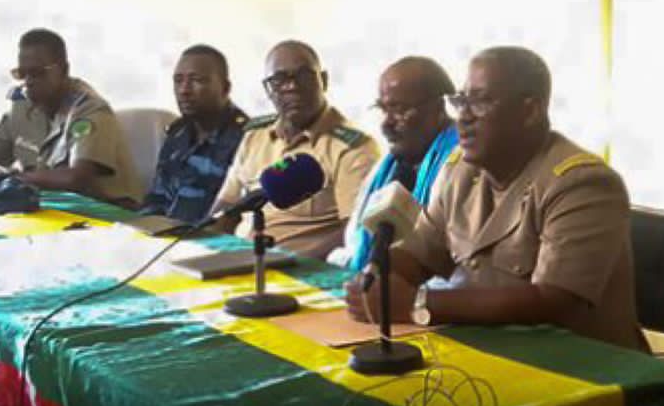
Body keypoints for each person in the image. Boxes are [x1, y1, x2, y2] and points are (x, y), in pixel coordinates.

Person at [344, 46, 642, 350]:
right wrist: (380, 276)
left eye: (481, 102)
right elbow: (420, 253)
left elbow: (554, 301)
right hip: (486, 348)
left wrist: (416, 303)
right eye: (461, 101)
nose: (463, 117)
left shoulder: (581, 182)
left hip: (577, 362)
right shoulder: (459, 171)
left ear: (530, 111)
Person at [211, 40, 379, 259]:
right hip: (241, 258)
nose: (291, 87)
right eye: (279, 80)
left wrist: (284, 260)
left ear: (323, 81)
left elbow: (354, 232)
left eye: (303, 76)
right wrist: (204, 247)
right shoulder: (255, 136)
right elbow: (226, 207)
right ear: (268, 90)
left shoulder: (352, 148)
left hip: (300, 268)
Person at [0, 28, 139, 201]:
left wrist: (12, 178)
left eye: (37, 73)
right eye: (22, 73)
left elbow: (76, 178)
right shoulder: (22, 108)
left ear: (64, 70)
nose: (28, 82)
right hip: (49, 209)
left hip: (106, 213)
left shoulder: (90, 110)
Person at [333, 56, 458, 272]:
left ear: (438, 108)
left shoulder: (461, 165)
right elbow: (354, 242)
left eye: (399, 110)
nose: (386, 123)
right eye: (382, 109)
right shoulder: (384, 170)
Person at [141, 45, 248, 224]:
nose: (184, 90)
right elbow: (156, 199)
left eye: (197, 80)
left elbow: (238, 216)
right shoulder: (177, 133)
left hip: (209, 237)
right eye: (178, 81)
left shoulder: (246, 139)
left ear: (225, 88)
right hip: (164, 234)